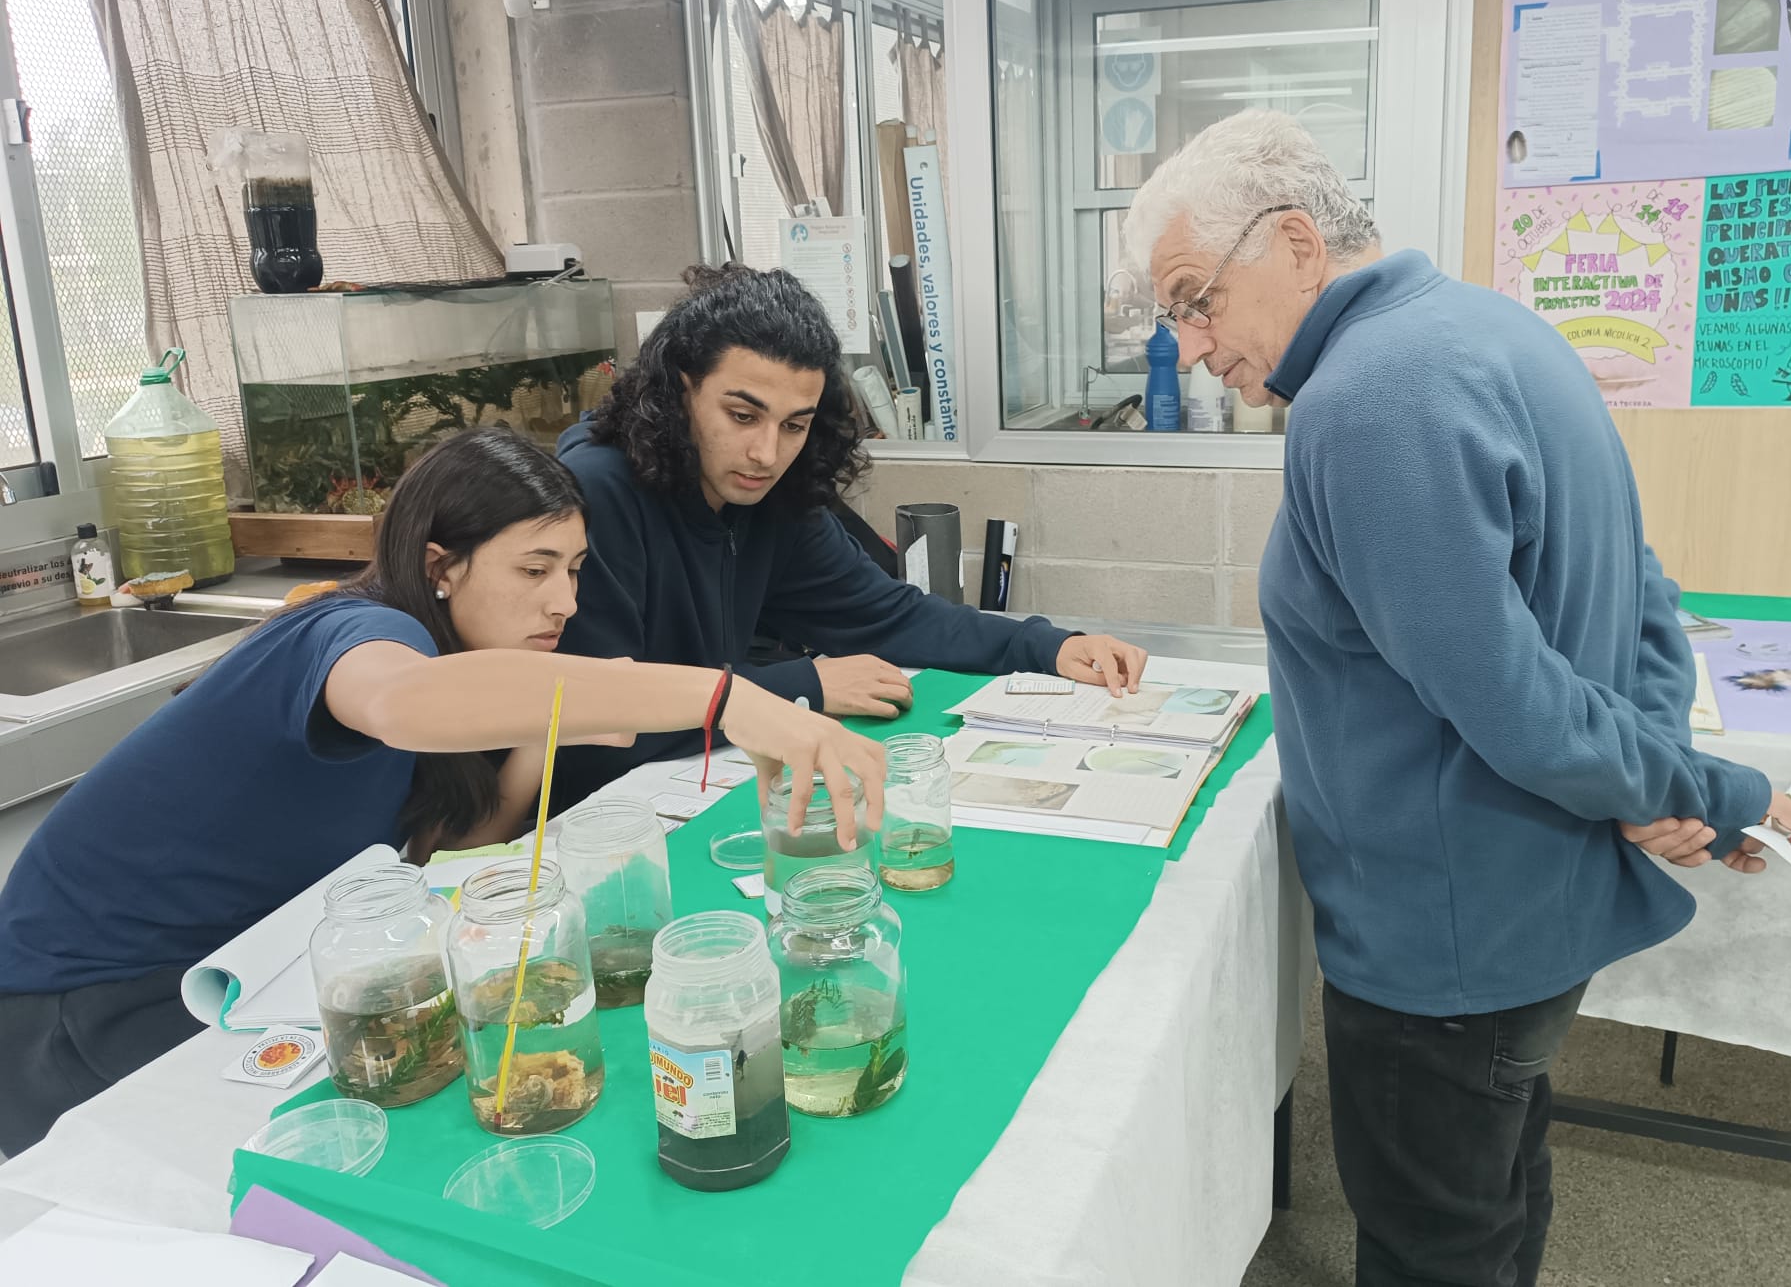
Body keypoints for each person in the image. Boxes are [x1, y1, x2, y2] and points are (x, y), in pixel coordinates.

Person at [1122, 110, 1791, 1287]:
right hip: (1519, 905)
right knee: (1494, 1191)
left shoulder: (1365, 399)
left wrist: (1705, 789)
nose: (1188, 346)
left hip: (1440, 938)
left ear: (1292, 242)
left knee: (1434, 1241)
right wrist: (1648, 777)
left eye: (1195, 299)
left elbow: (1505, 696)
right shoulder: (1490, 327)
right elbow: (1636, 585)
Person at [0, 427, 882, 1155]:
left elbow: (449, 849)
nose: (564, 601)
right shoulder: (360, 631)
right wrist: (723, 697)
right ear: (440, 565)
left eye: (575, 570)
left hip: (241, 973)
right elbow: (403, 704)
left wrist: (549, 730)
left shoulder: (461, 676)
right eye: (534, 570)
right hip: (82, 1001)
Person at [552, 265, 1148, 807]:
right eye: (742, 415)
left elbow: (889, 616)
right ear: (681, 389)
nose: (766, 453)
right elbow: (597, 718)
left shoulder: (769, 497)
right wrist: (802, 684)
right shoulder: (591, 495)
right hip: (579, 822)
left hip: (695, 788)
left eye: (794, 425)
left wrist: (1045, 647)